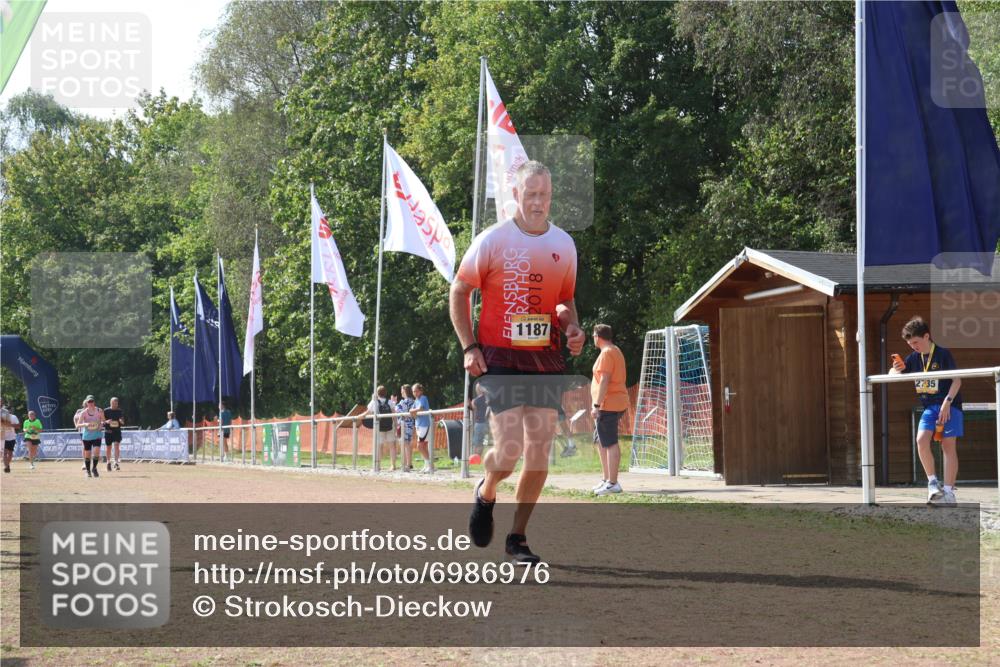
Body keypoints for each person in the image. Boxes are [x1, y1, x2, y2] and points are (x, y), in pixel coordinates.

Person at [450, 160, 584, 563]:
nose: (538, 202)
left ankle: (517, 538)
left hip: (545, 359)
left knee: (539, 453)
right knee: (507, 451)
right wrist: (469, 347)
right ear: (516, 196)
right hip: (499, 358)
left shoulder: (563, 244)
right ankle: (487, 490)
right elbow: (459, 292)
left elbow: (564, 300)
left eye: (544, 194)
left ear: (551, 196)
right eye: (531, 194)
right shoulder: (493, 240)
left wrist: (573, 328)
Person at [889, 316, 963, 505]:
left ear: (927, 336)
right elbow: (894, 374)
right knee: (921, 440)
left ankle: (949, 491)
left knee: (948, 446)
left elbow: (957, 380)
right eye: (910, 343)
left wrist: (947, 402)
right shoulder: (914, 358)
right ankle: (932, 483)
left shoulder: (943, 354)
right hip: (929, 408)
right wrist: (895, 369)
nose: (913, 346)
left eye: (915, 342)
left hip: (949, 406)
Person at [590, 324, 629, 495]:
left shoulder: (606, 353)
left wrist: (597, 405)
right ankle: (607, 480)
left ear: (598, 336)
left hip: (608, 404)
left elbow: (605, 380)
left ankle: (613, 483)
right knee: (600, 440)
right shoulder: (615, 350)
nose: (593, 338)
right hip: (612, 402)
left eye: (593, 335)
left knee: (610, 442)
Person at [358, 386, 397, 471]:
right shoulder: (390, 402)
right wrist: (396, 425)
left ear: (377, 393)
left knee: (379, 446)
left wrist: (360, 416)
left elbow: (367, 412)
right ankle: (393, 465)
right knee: (392, 446)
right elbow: (394, 414)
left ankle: (378, 465)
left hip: (379, 427)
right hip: (390, 426)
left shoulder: (374, 402)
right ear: (385, 393)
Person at [75, 395, 104, 478]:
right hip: (87, 436)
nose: (91, 403)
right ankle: (88, 471)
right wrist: (85, 424)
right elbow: (77, 425)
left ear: (94, 402)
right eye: (89, 402)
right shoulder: (83, 413)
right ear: (87, 403)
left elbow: (103, 421)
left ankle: (94, 468)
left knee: (96, 451)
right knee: (88, 454)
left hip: (97, 434)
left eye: (92, 401)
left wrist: (101, 425)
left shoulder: (99, 410)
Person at [409, 384, 432, 471]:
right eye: (413, 391)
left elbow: (421, 408)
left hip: (424, 425)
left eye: (416, 391)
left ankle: (429, 464)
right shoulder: (416, 400)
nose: (415, 393)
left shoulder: (423, 398)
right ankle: (428, 465)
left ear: (421, 391)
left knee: (420, 446)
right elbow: (413, 413)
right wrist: (413, 411)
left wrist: (412, 411)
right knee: (423, 446)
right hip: (418, 425)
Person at [396, 385, 416, 471]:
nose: (401, 392)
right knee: (407, 444)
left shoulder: (405, 401)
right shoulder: (413, 401)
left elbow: (396, 409)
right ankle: (409, 463)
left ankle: (407, 464)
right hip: (411, 424)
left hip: (405, 425)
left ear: (405, 391)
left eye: (401, 390)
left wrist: (393, 402)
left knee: (405, 444)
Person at [103, 397, 125, 471]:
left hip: (117, 431)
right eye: (113, 403)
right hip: (108, 431)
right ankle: (108, 462)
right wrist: (107, 421)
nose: (115, 405)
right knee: (108, 447)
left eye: (116, 403)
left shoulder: (119, 411)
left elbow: (122, 421)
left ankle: (116, 462)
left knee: (116, 445)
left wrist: (121, 421)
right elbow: (102, 422)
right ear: (110, 403)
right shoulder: (106, 411)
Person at [470, 384, 490, 463]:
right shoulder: (489, 398)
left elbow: (474, 411)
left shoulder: (475, 400)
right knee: (482, 443)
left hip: (479, 423)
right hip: (487, 424)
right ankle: (478, 459)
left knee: (477, 442)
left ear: (478, 390)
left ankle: (475, 460)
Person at [1, 397, 19, 474]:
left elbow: (18, 426)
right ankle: (6, 467)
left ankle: (7, 465)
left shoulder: (13, 417)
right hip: (2, 436)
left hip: (11, 436)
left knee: (10, 453)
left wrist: (9, 425)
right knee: (4, 452)